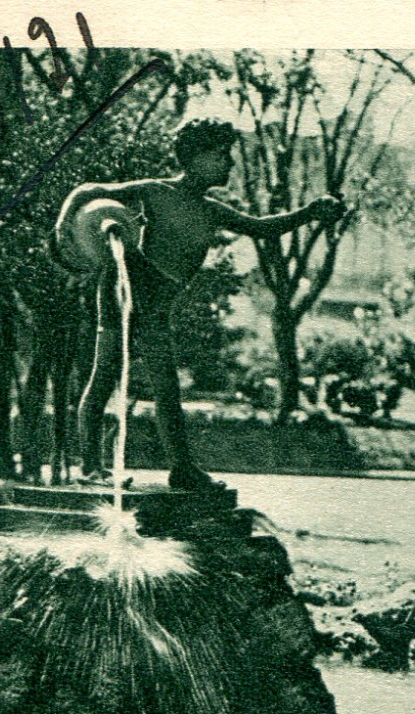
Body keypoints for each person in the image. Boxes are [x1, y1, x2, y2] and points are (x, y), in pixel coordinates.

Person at [55, 119, 346, 491]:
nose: (229, 164)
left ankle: (181, 469)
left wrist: (309, 213)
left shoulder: (213, 210)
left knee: (166, 387)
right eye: (221, 155)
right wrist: (64, 228)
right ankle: (93, 468)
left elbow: (263, 227)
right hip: (127, 287)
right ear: (193, 158)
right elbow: (90, 190)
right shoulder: (154, 192)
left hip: (158, 301)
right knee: (105, 377)